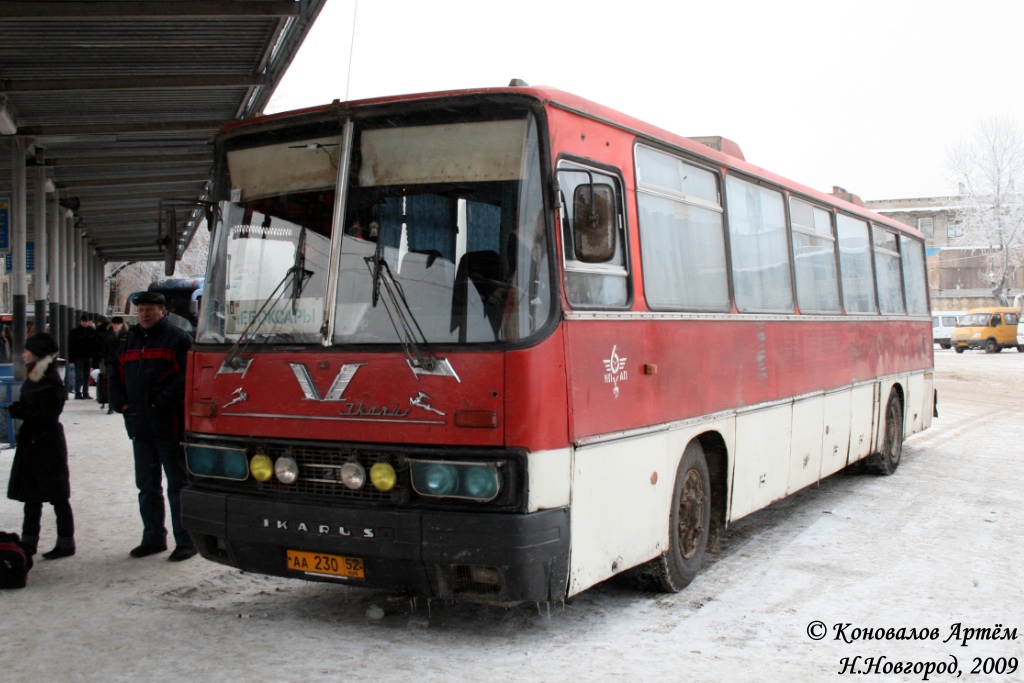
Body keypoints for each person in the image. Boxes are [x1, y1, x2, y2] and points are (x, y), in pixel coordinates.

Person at [109, 292, 196, 562]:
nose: (145, 314)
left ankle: (186, 540)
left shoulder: (178, 339)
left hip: (168, 424)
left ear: (163, 311)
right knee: (146, 485)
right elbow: (115, 374)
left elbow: (185, 377)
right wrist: (121, 405)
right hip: (140, 425)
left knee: (177, 485)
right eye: (141, 309)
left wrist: (160, 403)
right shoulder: (128, 340)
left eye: (150, 309)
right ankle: (153, 537)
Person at [5, 333, 75, 560]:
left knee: (57, 495)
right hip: (35, 441)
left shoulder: (49, 379)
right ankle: (28, 542)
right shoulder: (37, 375)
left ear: (38, 354)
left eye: (27, 350)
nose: (23, 354)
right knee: (31, 495)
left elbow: (48, 413)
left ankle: (65, 542)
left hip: (46, 443)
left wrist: (20, 411)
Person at [102, 316, 128, 415]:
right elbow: (104, 349)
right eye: (114, 324)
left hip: (124, 363)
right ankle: (111, 406)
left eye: (118, 324)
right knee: (111, 384)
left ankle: (124, 403)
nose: (116, 326)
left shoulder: (127, 335)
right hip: (112, 362)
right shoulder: (107, 336)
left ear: (122, 325)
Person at [67, 313, 96, 399]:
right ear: (81, 321)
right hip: (78, 357)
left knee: (86, 375)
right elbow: (71, 345)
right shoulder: (75, 332)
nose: (85, 323)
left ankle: (85, 392)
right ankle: (78, 392)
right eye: (83, 321)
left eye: (86, 321)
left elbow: (94, 345)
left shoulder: (91, 332)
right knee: (79, 375)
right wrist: (71, 357)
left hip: (87, 356)